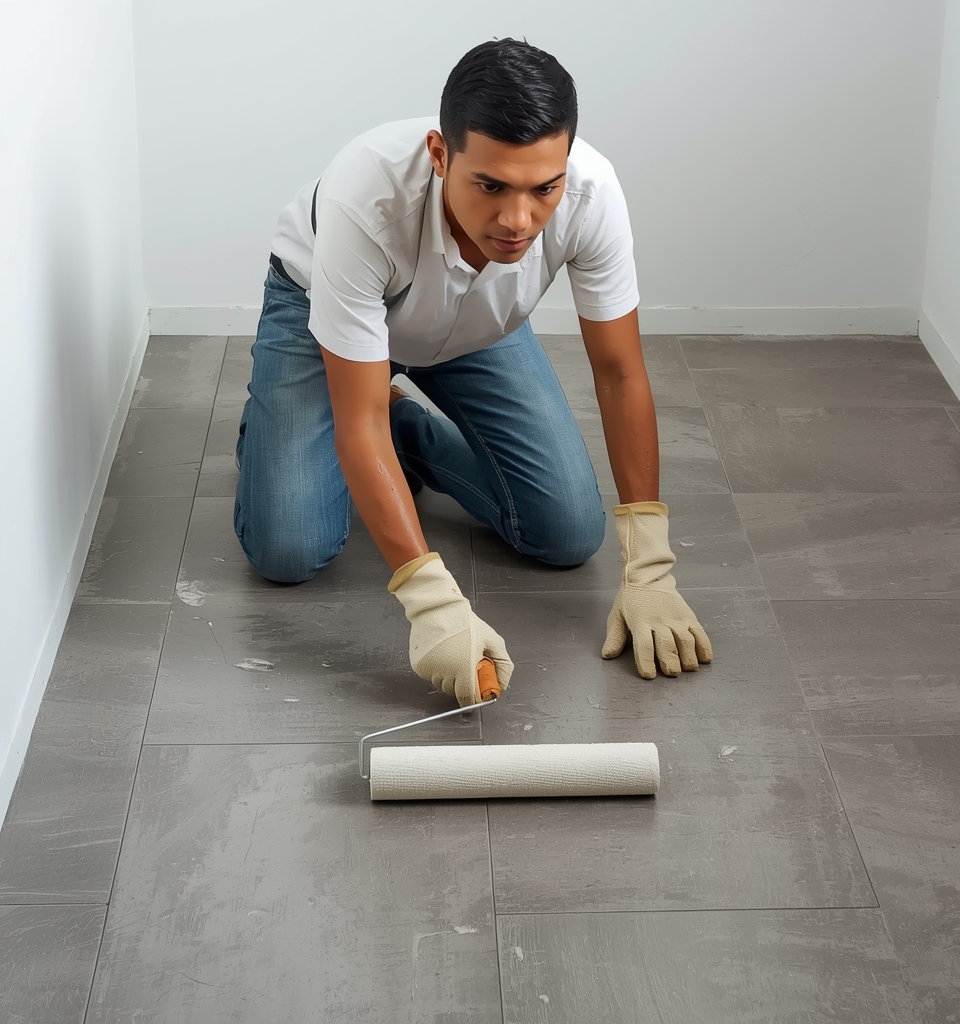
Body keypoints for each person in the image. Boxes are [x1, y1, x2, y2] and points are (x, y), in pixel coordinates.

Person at [234, 38, 712, 707]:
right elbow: (358, 416)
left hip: (475, 331)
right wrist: (430, 598)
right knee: (289, 550)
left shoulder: (592, 191)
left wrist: (651, 565)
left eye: (542, 189)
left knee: (567, 533)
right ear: (440, 154)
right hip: (330, 318)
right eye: (490, 186)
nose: (518, 220)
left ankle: (409, 439)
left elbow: (619, 372)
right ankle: (278, 432)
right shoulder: (362, 198)